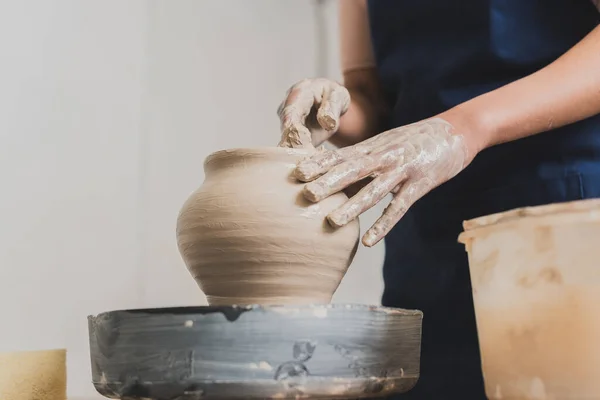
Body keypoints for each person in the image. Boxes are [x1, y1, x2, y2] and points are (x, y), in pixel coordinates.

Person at [277, 1, 600, 398]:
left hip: (555, 221)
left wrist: (463, 129)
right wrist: (335, 109)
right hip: (428, 243)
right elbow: (373, 98)